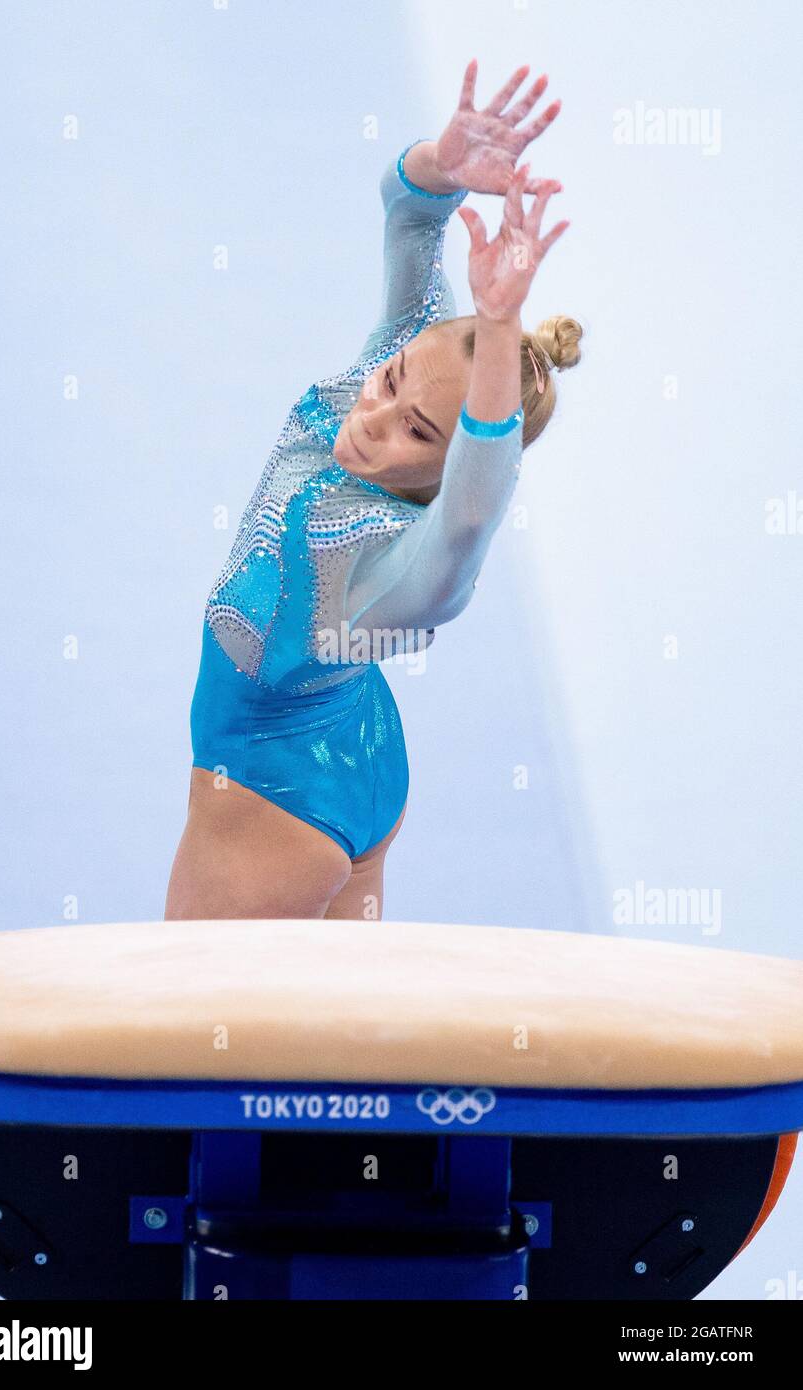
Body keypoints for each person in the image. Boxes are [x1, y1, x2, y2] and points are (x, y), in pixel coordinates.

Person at [165, 59, 582, 924]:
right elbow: (410, 219)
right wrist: (444, 162)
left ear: (446, 463)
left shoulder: (396, 570)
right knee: (340, 1035)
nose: (375, 415)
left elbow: (474, 506)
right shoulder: (395, 358)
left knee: (201, 1043)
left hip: (272, 794)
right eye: (391, 381)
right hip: (359, 752)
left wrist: (500, 326)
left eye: (418, 435)